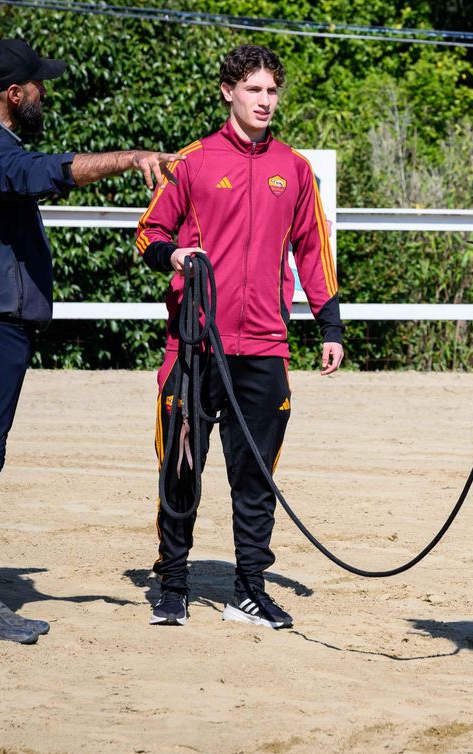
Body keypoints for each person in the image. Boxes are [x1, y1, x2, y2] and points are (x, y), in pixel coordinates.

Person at [0, 37, 183, 645]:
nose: (45, 91)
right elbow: (34, 173)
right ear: (15, 94)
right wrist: (126, 159)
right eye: (37, 84)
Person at [135, 44, 343, 629]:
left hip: (265, 349)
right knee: (181, 468)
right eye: (255, 90)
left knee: (256, 479)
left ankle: (248, 589)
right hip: (195, 347)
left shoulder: (295, 169)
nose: (266, 101)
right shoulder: (193, 162)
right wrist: (174, 254)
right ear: (228, 92)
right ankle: (172, 585)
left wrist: (330, 324)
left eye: (272, 91)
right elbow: (148, 231)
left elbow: (313, 249)